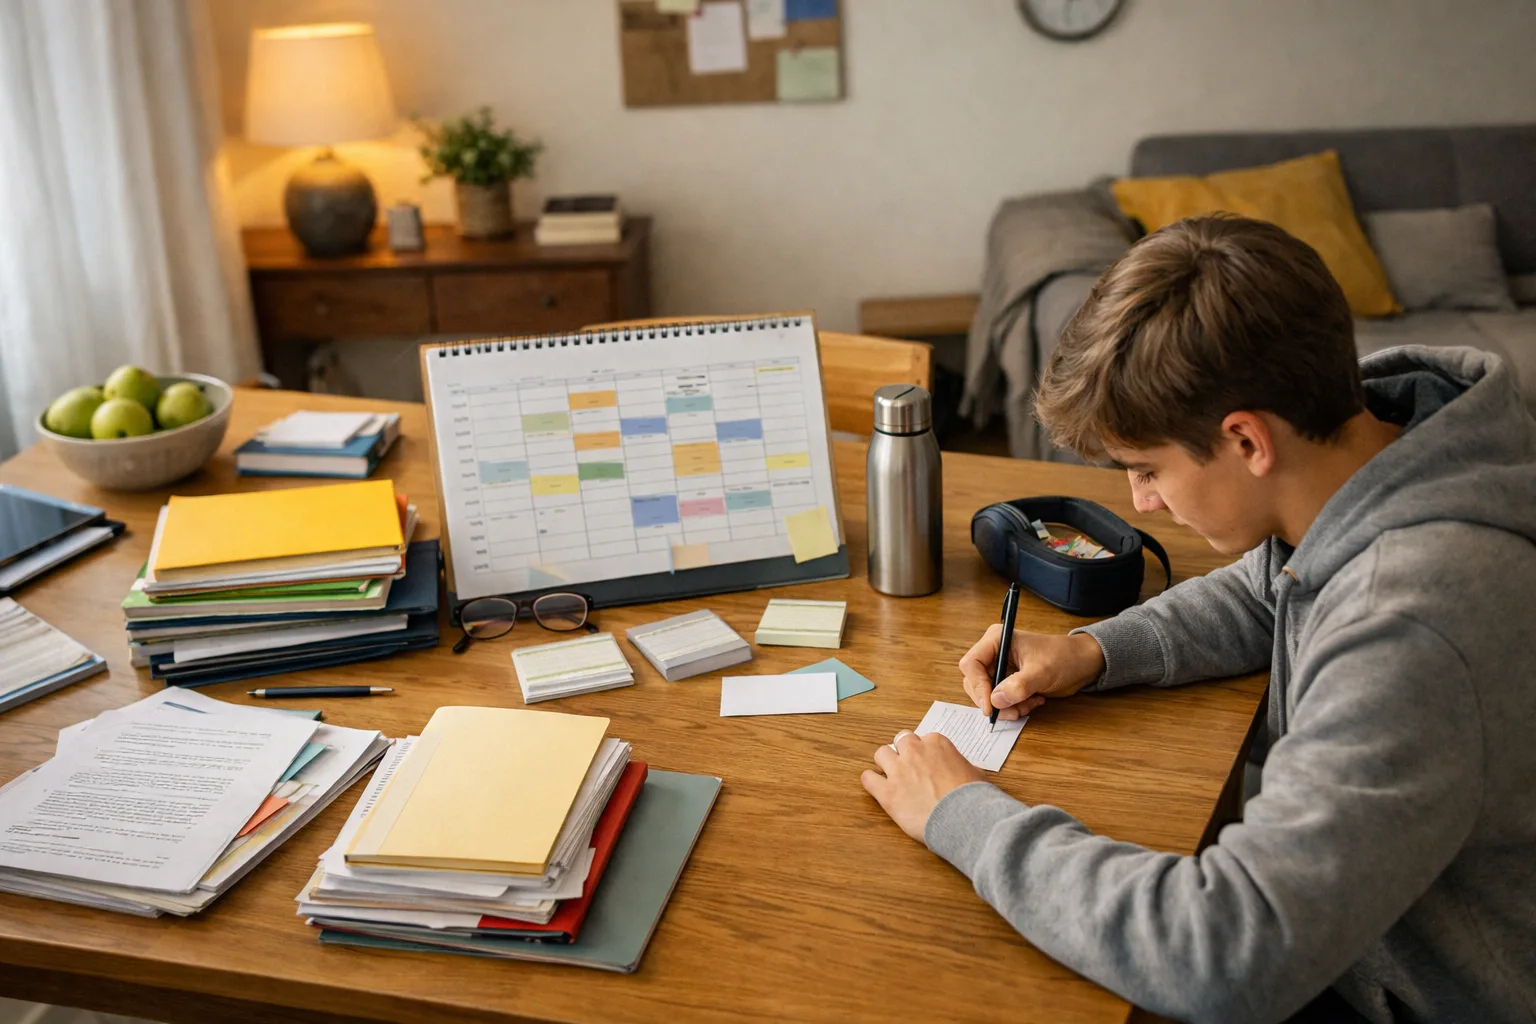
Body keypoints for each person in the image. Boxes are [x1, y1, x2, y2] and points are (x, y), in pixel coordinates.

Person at [860, 215, 1536, 1024]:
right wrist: (1092, 651)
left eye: (1147, 471)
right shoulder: (1386, 447)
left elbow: (1222, 954)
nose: (1143, 504)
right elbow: (1271, 587)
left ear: (1247, 439)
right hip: (1359, 928)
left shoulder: (1409, 622)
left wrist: (961, 817)